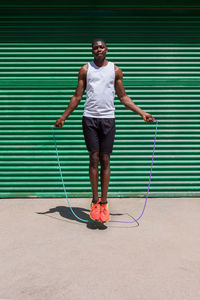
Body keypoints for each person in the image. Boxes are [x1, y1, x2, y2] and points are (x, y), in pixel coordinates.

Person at [54, 38, 155, 223]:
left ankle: (104, 202)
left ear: (106, 49)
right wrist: (63, 117)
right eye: (95, 47)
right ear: (92, 51)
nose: (98, 49)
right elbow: (77, 96)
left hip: (108, 119)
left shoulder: (115, 70)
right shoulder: (86, 69)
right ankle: (94, 201)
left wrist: (142, 113)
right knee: (93, 157)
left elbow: (123, 97)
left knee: (105, 159)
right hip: (90, 119)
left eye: (101, 47)